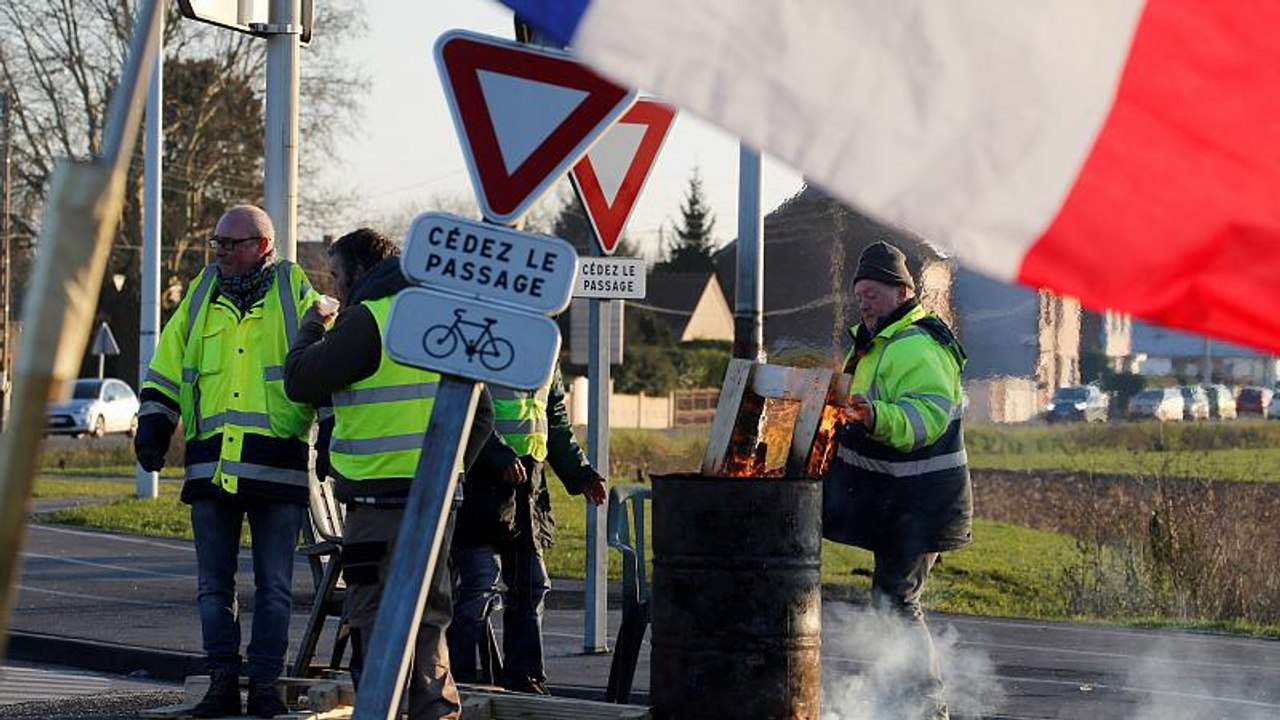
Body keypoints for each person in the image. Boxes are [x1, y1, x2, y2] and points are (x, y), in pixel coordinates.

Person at [283, 227, 494, 720]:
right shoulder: (443, 318)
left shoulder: (367, 319)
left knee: (374, 622)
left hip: (378, 506)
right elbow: (481, 415)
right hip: (436, 503)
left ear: (360, 270)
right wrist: (448, 473)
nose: (334, 288)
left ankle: (383, 711)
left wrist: (312, 327)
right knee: (429, 619)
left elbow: (300, 379)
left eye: (336, 276)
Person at [135, 205, 319, 718]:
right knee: (213, 587)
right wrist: (153, 424)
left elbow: (319, 365)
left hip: (276, 464)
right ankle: (221, 683)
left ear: (263, 245)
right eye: (215, 242)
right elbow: (167, 365)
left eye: (230, 243)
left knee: (275, 588)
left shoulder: (295, 295)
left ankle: (264, 687)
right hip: (210, 467)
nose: (219, 251)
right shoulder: (200, 295)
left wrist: (329, 445)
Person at [822, 241, 972, 720]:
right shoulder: (876, 344)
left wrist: (876, 417)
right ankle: (901, 702)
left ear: (902, 291)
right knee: (890, 604)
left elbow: (925, 416)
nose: (863, 301)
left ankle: (926, 707)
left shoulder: (917, 345)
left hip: (922, 502)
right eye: (859, 293)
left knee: (897, 604)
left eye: (873, 292)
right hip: (898, 501)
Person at [447, 367, 607, 695]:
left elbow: (554, 415)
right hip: (480, 477)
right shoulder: (487, 326)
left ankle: (524, 678)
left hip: (527, 481)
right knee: (479, 584)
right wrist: (496, 454)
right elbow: (464, 403)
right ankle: (456, 680)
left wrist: (580, 472)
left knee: (531, 584)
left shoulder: (547, 344)